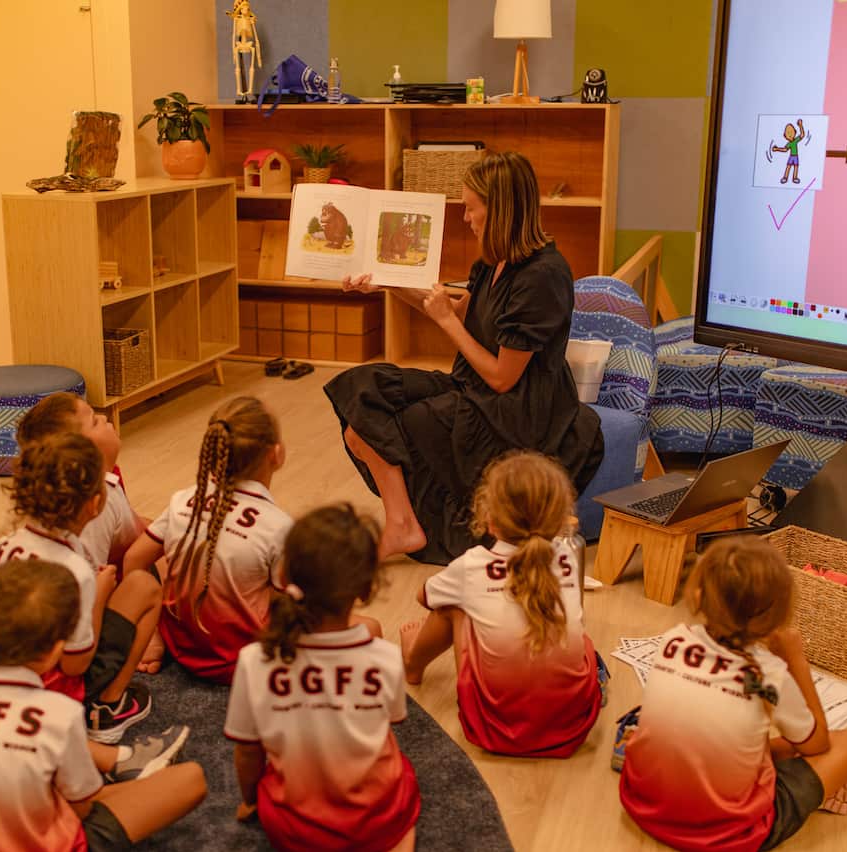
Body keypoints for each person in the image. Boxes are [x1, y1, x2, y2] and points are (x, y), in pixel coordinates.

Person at [324, 151, 603, 563]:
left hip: (516, 412)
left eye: (470, 208)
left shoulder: (543, 277)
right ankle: (403, 523)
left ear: (499, 211)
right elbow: (454, 312)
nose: (464, 218)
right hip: (474, 387)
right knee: (363, 394)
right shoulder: (494, 262)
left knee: (403, 423)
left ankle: (406, 526)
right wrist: (384, 281)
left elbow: (502, 378)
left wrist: (446, 322)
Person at [0, 558, 206, 852]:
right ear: (54, 653)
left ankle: (124, 762)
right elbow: (80, 808)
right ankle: (126, 763)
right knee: (189, 778)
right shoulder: (59, 714)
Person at [619, 536, 847, 852]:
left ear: (699, 593)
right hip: (729, 835)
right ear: (776, 616)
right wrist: (795, 660)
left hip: (641, 804)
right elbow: (819, 743)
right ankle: (823, 792)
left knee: (720, 735)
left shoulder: (674, 641)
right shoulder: (767, 677)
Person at [225, 504, 419, 852]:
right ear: (365, 589)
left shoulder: (255, 660)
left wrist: (252, 801)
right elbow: (389, 725)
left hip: (296, 828)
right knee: (398, 767)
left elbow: (247, 752)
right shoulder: (385, 658)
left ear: (284, 577)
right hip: (376, 817)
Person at [399, 451, 603, 758]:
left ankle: (413, 663)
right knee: (570, 634)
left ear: (490, 522)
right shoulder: (568, 557)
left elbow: (423, 597)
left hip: (492, 730)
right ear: (560, 518)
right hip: (571, 728)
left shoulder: (472, 566)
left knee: (452, 606)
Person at [0, 433, 161, 744]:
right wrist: (99, 594)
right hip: (55, 690)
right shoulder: (75, 570)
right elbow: (75, 662)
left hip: (0, 678)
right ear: (95, 504)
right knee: (144, 585)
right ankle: (109, 705)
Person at [123, 396, 293, 683]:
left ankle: (152, 639)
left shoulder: (183, 500)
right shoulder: (279, 527)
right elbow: (290, 607)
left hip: (182, 646)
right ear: (276, 454)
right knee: (363, 626)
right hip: (243, 662)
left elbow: (133, 559)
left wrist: (151, 628)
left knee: (160, 538)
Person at [16, 392, 142, 569]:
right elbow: (89, 576)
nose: (103, 416)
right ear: (80, 448)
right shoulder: (93, 506)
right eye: (94, 421)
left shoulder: (108, 475)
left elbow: (128, 521)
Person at [773, 119, 805, 185]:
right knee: (788, 167)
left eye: (791, 132)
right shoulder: (789, 144)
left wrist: (801, 126)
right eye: (788, 133)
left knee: (796, 167)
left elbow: (802, 135)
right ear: (785, 136)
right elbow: (785, 150)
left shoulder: (796, 140)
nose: (790, 134)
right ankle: (785, 177)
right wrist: (777, 149)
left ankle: (795, 178)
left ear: (794, 132)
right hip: (791, 157)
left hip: (795, 156)